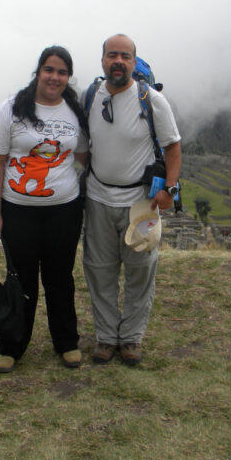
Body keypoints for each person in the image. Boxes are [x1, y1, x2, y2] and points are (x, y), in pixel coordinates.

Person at [0, 45, 88, 373]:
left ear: (68, 77)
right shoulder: (12, 109)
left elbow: (83, 156)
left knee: (60, 278)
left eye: (61, 72)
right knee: (21, 279)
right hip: (18, 211)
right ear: (38, 72)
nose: (54, 77)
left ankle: (66, 342)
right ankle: (12, 345)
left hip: (64, 210)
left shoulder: (74, 111)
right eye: (49, 70)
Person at [81, 34, 181, 366]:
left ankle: (132, 338)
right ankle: (107, 337)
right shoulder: (91, 97)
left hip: (141, 202)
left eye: (126, 56)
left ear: (134, 62)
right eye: (112, 55)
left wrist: (170, 188)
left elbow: (172, 147)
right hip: (98, 198)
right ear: (103, 61)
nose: (118, 61)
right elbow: (83, 147)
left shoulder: (151, 100)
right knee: (99, 270)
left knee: (140, 270)